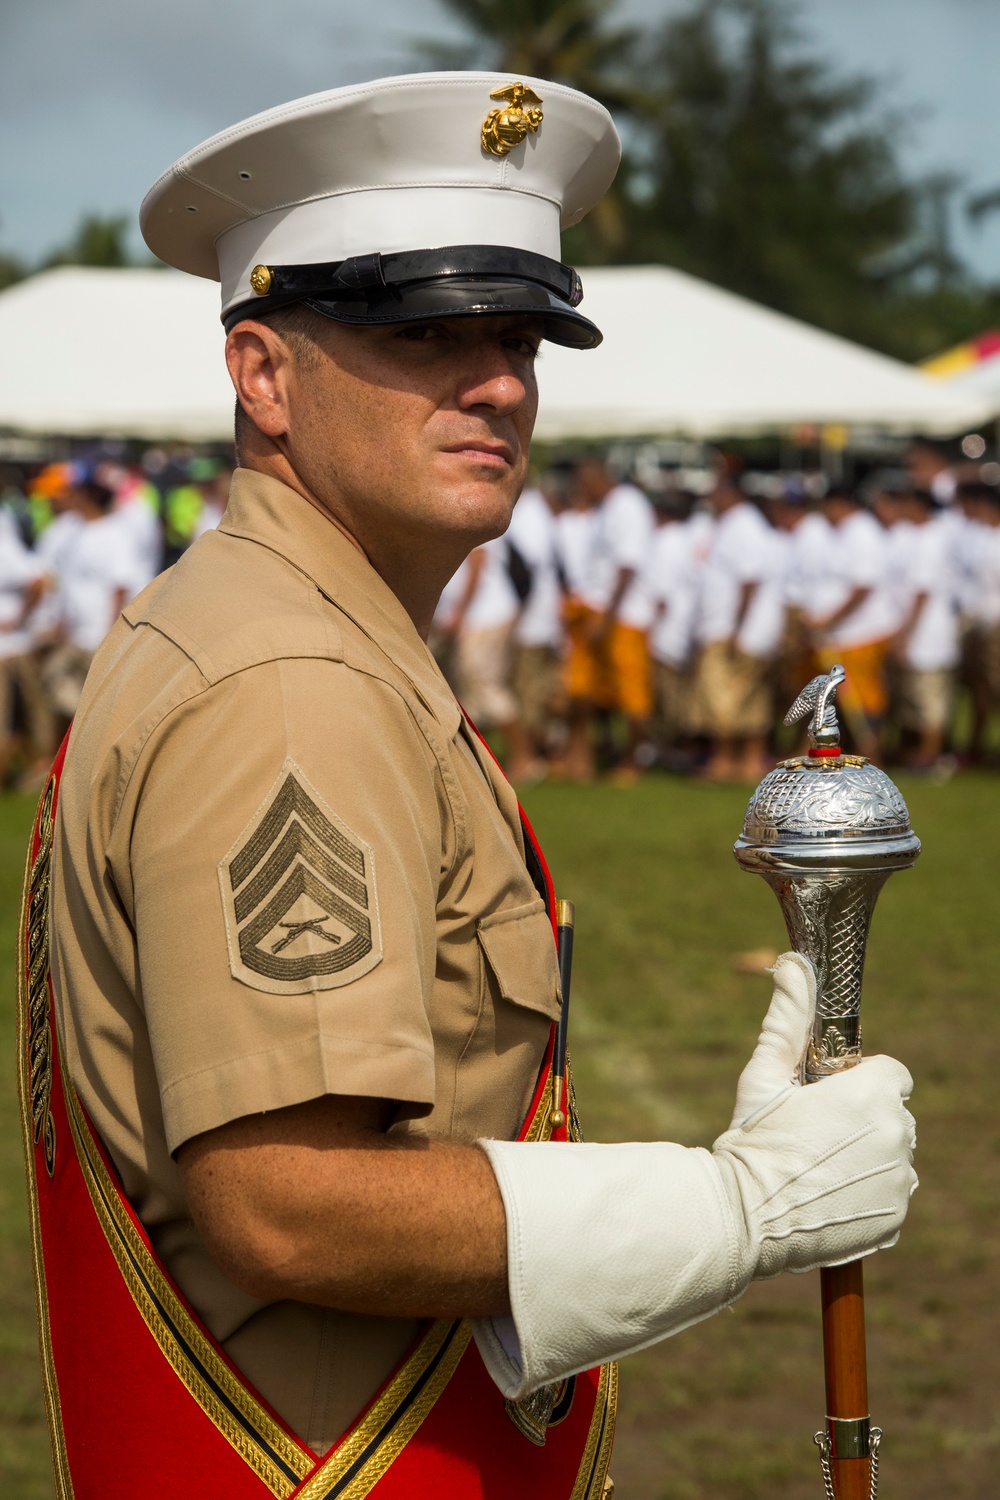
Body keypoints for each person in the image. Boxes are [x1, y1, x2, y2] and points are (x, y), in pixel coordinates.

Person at [24, 74, 916, 1497]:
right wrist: (734, 1208)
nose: (497, 381)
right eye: (423, 334)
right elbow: (288, 1205)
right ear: (263, 373)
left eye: (517, 336)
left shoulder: (281, 624)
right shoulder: (291, 681)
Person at [560, 457, 656, 781]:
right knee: (583, 688)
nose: (579, 490)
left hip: (623, 616)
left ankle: (634, 762)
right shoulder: (609, 507)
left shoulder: (626, 504)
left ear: (594, 475)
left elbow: (628, 566)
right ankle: (580, 758)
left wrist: (608, 617)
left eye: (582, 482)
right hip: (598, 610)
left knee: (632, 693)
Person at [688, 469, 781, 781]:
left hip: (735, 631)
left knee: (726, 699)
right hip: (730, 628)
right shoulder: (733, 524)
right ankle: (740, 761)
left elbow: (750, 580)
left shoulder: (745, 525)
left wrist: (737, 628)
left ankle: (730, 759)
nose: (710, 499)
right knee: (743, 700)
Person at [808, 486, 899, 760]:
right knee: (846, 699)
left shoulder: (862, 533)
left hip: (862, 631)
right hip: (843, 633)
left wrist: (829, 619)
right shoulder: (845, 532)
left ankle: (872, 751)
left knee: (861, 698)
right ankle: (857, 750)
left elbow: (863, 586)